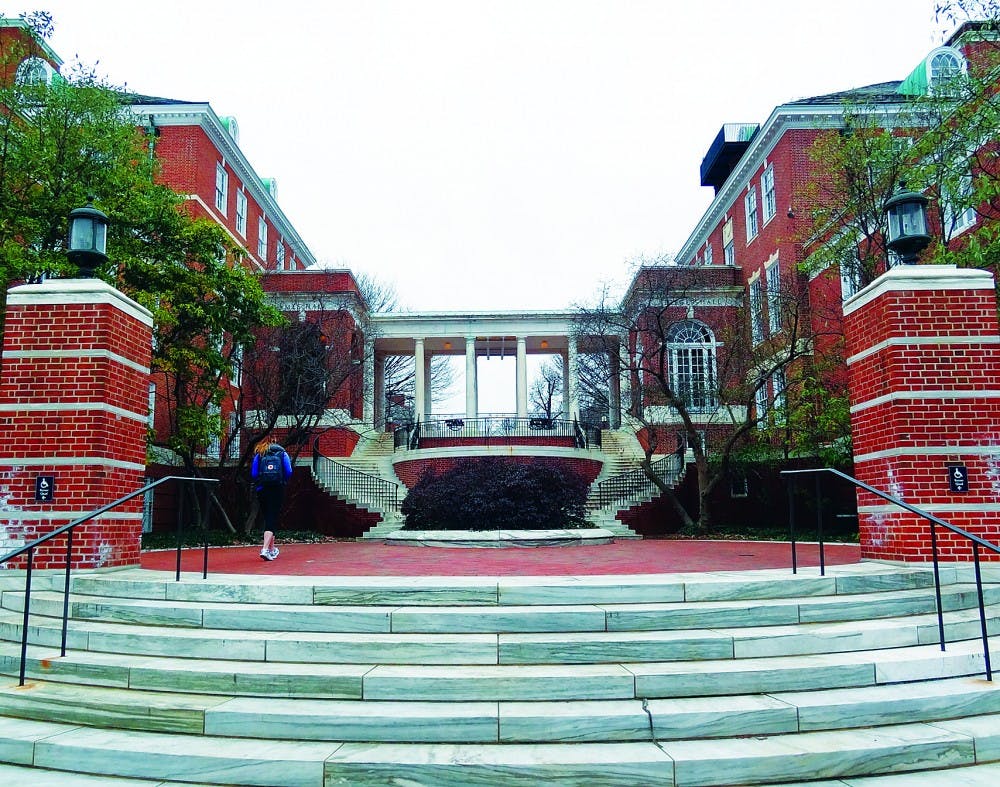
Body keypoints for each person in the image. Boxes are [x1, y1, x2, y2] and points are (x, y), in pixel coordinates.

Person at [250, 439, 293, 560]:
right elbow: (289, 471)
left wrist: (261, 481)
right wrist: (282, 480)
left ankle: (272, 549)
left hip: (262, 489)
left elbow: (254, 474)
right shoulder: (282, 453)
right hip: (277, 489)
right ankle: (265, 549)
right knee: (272, 518)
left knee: (269, 518)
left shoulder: (259, 455)